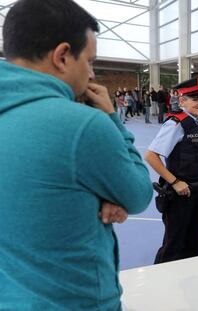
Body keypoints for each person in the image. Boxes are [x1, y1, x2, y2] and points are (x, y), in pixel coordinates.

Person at [0, 0, 153, 310]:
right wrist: (112, 118)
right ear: (63, 55)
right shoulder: (82, 126)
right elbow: (138, 194)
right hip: (73, 300)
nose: (92, 73)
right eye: (90, 60)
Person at [145, 78, 198, 263]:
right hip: (179, 195)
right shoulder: (175, 124)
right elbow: (151, 156)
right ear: (182, 101)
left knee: (195, 241)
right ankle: (162, 281)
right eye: (195, 99)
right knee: (174, 244)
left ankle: (188, 281)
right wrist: (175, 182)